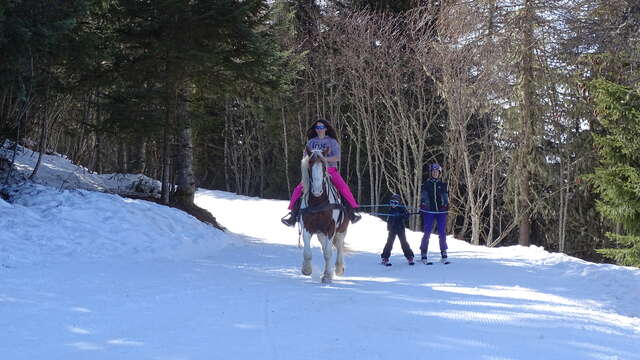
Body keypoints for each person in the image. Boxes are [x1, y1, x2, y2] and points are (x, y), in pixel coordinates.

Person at [281, 119, 361, 226]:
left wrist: (323, 159)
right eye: (317, 128)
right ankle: (293, 215)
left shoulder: (332, 141)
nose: (319, 130)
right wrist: (311, 161)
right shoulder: (311, 142)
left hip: (330, 170)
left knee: (343, 187)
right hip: (313, 171)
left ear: (326, 129)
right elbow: (305, 157)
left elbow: (337, 157)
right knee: (298, 189)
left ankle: (352, 213)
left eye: (321, 128)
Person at [419, 163, 449, 264]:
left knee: (442, 232)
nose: (435, 173)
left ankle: (443, 252)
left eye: (437, 172)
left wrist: (446, 205)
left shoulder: (442, 185)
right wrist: (423, 205)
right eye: (433, 172)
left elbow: (445, 197)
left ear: (439, 173)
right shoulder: (426, 184)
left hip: (440, 211)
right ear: (431, 173)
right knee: (427, 232)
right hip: (429, 211)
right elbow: (423, 196)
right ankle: (424, 252)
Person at [380, 194, 415, 266]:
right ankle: (385, 257)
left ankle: (409, 257)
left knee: (404, 242)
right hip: (392, 228)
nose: (393, 204)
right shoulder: (390, 209)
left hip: (400, 228)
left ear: (399, 203)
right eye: (391, 202)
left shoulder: (402, 209)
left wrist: (404, 215)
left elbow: (406, 216)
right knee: (389, 243)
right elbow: (385, 217)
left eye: (395, 203)